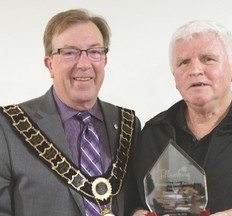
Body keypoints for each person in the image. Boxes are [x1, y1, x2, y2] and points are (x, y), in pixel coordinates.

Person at [131, 20, 232, 216]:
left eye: (208, 59)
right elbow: (131, 200)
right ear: (175, 77)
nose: (195, 70)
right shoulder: (153, 133)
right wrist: (136, 212)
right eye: (184, 62)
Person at [0, 9, 141, 216]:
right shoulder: (8, 127)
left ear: (104, 61)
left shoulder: (128, 125)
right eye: (69, 52)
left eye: (94, 52)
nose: (84, 64)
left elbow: (139, 201)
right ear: (50, 65)